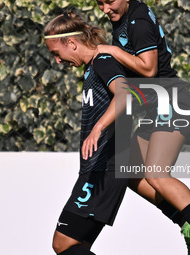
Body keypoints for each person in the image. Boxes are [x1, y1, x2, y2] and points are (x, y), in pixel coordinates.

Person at [93, 0, 190, 254]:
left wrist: (111, 50)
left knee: (156, 174)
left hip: (172, 103)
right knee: (130, 173)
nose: (104, 9)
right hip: (155, 107)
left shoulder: (138, 21)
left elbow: (148, 68)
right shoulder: (126, 17)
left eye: (109, 1)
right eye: (99, 3)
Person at [44, 12, 131, 255]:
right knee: (78, 246)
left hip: (104, 168)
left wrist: (98, 128)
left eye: (56, 53)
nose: (58, 61)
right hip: (100, 167)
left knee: (63, 243)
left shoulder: (102, 61)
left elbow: (125, 94)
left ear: (71, 43)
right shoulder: (93, 67)